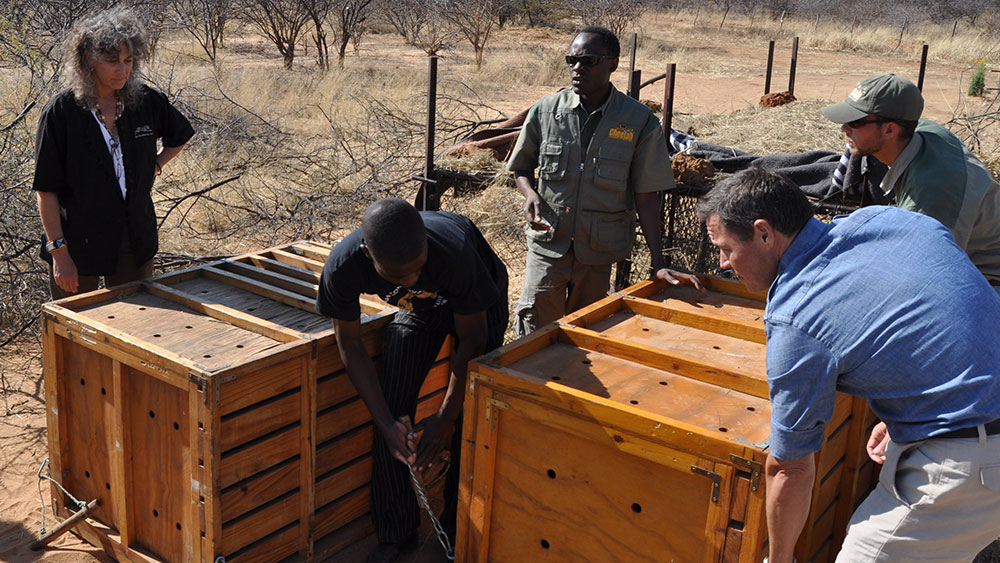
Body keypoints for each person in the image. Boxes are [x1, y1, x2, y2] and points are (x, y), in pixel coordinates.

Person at [697, 167, 1000, 563]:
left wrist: (782, 557)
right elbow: (947, 305)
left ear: (764, 233)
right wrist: (919, 408)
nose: (721, 263)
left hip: (968, 466)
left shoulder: (797, 317)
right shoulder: (890, 220)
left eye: (726, 248)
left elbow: (791, 468)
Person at [315, 198, 508, 563]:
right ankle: (396, 534)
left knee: (471, 417)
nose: (412, 279)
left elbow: (473, 339)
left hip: (480, 306)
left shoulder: (455, 253)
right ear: (367, 255)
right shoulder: (342, 266)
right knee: (389, 406)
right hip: (419, 309)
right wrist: (387, 423)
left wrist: (445, 418)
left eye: (417, 269)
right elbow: (350, 344)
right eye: (398, 276)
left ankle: (457, 533)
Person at [506, 25, 701, 337]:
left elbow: (647, 194)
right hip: (548, 243)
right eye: (571, 60)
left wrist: (658, 260)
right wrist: (529, 193)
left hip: (597, 253)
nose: (577, 68)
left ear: (612, 63)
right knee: (533, 327)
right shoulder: (546, 112)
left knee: (586, 330)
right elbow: (521, 169)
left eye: (588, 61)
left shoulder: (638, 121)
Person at [33, 7, 193, 300]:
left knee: (136, 320)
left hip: (135, 236)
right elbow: (46, 190)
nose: (122, 69)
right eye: (112, 61)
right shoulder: (62, 111)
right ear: (88, 60)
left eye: (128, 60)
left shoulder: (145, 101)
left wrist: (153, 166)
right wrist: (60, 254)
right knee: (77, 330)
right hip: (79, 240)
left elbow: (179, 136)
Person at [823, 73, 1000, 292]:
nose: (844, 128)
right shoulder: (924, 131)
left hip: (986, 285)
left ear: (889, 129)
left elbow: (917, 276)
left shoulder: (930, 196)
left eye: (855, 122)